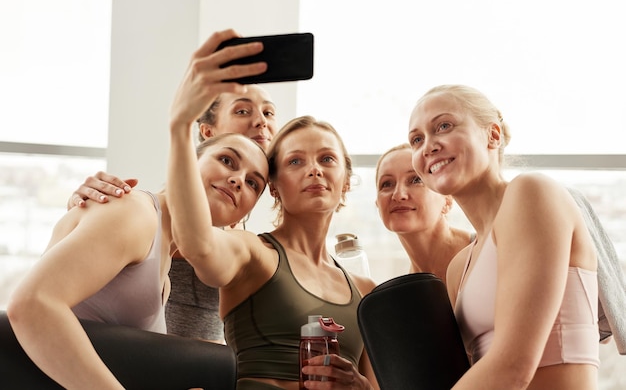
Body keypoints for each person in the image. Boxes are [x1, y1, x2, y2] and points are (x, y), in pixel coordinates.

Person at [168, 50, 379, 389]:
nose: (314, 169)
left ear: (345, 182)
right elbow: (198, 243)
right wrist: (179, 128)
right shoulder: (253, 252)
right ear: (275, 187)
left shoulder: (365, 291)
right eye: (296, 162)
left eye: (327, 158)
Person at [6, 131, 270, 389]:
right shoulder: (137, 214)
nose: (237, 179)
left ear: (239, 218)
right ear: (186, 165)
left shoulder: (163, 271)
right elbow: (31, 303)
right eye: (226, 160)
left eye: (252, 183)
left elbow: (127, 360)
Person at [66, 63, 279, 345]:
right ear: (208, 133)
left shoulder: (249, 252)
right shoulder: (142, 218)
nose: (261, 122)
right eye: (242, 110)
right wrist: (82, 215)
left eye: (268, 113)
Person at [407, 84, 599, 389]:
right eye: (417, 139)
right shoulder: (461, 266)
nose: (428, 146)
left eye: (443, 126)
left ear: (492, 135)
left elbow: (513, 367)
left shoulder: (532, 193)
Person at [375, 143, 474, 282]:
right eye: (387, 184)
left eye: (416, 180)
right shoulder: (404, 289)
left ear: (447, 200)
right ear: (377, 204)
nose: (398, 195)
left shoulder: (487, 252)